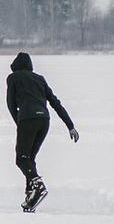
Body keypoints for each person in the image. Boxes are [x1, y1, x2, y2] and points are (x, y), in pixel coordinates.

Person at [5, 52, 78, 213]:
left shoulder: (13, 78)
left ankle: (37, 186)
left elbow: (10, 104)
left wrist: (19, 122)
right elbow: (55, 103)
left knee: (21, 159)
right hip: (44, 121)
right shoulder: (39, 79)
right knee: (29, 159)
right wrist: (70, 125)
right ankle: (30, 194)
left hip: (27, 120)